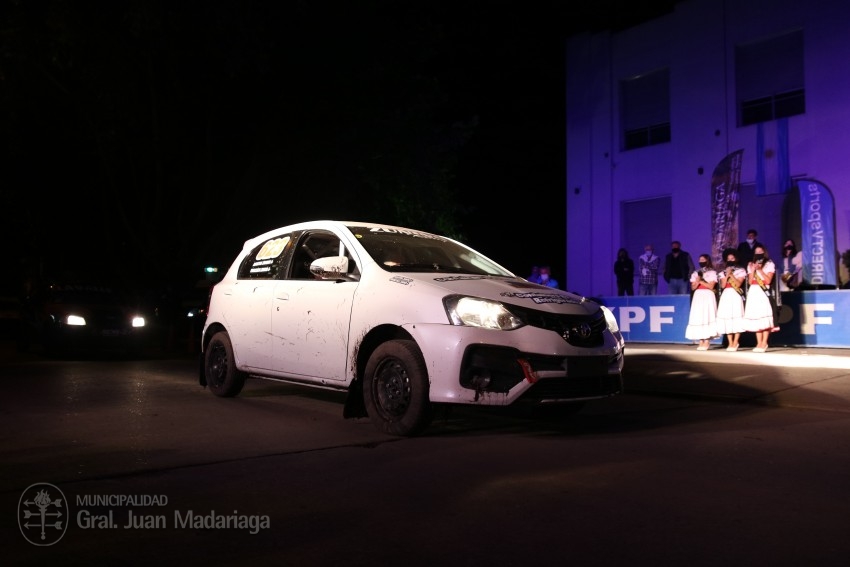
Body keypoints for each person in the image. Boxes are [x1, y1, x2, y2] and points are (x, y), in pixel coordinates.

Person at [742, 245, 776, 352]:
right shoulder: (751, 264)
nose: (758, 253)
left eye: (760, 251)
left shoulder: (769, 264)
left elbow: (768, 281)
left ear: (764, 252)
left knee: (764, 317)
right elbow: (750, 281)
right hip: (754, 291)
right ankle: (758, 343)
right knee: (756, 317)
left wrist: (760, 270)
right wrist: (752, 270)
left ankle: (764, 342)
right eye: (756, 251)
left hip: (763, 291)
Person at [685, 254, 719, 350]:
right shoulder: (696, 272)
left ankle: (707, 341)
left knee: (707, 316)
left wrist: (700, 281)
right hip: (698, 295)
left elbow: (711, 286)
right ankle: (701, 341)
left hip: (708, 295)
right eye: (700, 259)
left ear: (707, 260)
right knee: (699, 317)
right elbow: (693, 287)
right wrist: (696, 282)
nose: (701, 261)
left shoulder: (712, 272)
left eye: (703, 259)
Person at [716, 249, 747, 351]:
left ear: (736, 259)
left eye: (732, 258)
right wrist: (727, 274)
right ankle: (730, 342)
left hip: (736, 294)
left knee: (736, 317)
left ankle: (736, 342)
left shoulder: (741, 271)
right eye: (728, 259)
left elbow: (738, 284)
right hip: (726, 295)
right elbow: (723, 285)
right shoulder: (722, 272)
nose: (730, 260)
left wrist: (732, 275)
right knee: (727, 317)